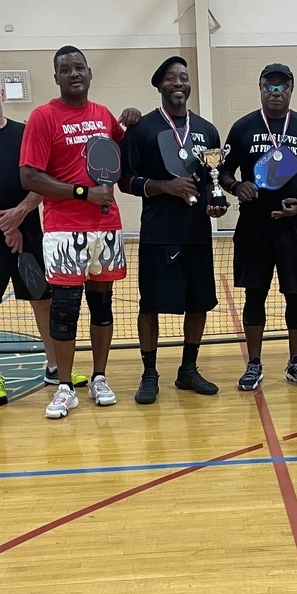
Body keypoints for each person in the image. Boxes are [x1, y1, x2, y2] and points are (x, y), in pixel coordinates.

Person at [0, 72, 85, 405]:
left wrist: (19, 216)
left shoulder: (26, 133)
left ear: (2, 95)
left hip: (30, 234)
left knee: (43, 302)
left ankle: (55, 367)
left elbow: (42, 182)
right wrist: (3, 221)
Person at [19, 46, 133, 420]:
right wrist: (82, 192)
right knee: (65, 309)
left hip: (107, 226)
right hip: (64, 228)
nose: (73, 74)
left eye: (79, 67)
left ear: (89, 73)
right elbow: (30, 176)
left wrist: (132, 122)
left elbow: (120, 151)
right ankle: (65, 387)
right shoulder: (43, 117)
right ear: (56, 78)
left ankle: (100, 377)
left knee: (102, 305)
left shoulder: (102, 115)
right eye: (64, 69)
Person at [120, 56, 228, 405]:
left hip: (196, 232)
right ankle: (149, 373)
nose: (179, 82)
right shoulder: (142, 128)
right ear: (160, 85)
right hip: (158, 231)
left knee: (199, 304)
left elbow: (214, 180)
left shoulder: (207, 130)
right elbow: (125, 180)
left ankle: (188, 370)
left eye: (184, 76)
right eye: (171, 77)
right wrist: (165, 186)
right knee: (150, 305)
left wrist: (218, 203)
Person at [218, 63, 297, 391]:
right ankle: (253, 363)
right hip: (253, 226)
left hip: (294, 227)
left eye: (282, 87)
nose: (275, 92)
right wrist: (237, 186)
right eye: (270, 86)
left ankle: (296, 362)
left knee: (296, 296)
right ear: (260, 87)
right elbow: (223, 172)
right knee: (255, 296)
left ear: (291, 90)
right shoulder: (243, 128)